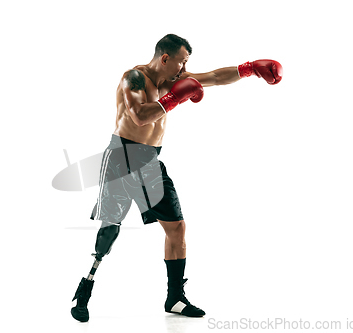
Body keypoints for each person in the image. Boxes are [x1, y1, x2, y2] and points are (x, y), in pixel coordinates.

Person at [71, 34, 283, 322]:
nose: (185, 68)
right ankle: (85, 287)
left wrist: (248, 69)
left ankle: (175, 299)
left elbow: (214, 77)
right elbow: (139, 117)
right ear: (165, 57)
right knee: (110, 230)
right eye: (182, 61)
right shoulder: (133, 77)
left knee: (177, 228)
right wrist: (175, 98)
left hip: (149, 160)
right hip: (121, 158)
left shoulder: (169, 81)